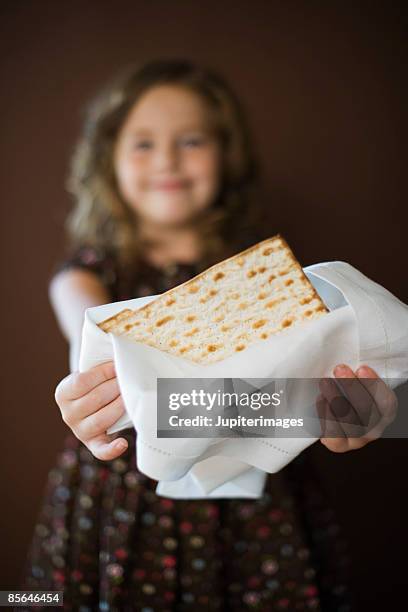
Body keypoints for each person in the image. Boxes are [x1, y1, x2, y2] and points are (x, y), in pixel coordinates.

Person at [21, 59, 396, 611]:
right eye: (143, 143)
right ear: (108, 160)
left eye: (191, 140)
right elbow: (89, 331)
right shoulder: (91, 271)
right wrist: (88, 388)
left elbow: (306, 379)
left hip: (257, 506)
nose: (168, 159)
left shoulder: (262, 274)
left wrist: (343, 413)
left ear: (226, 154)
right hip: (124, 497)